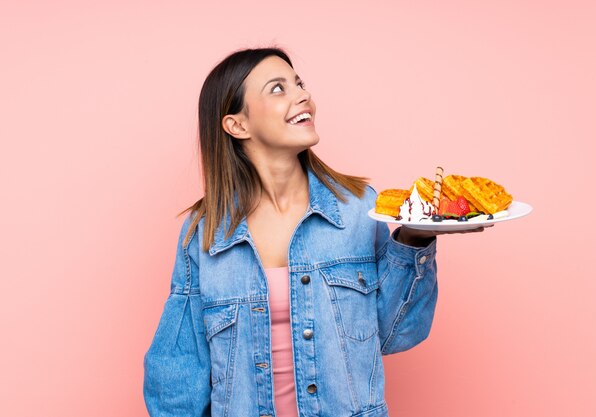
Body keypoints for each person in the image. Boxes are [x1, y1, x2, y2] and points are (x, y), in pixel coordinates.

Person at [143, 47, 488, 417]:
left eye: (299, 83)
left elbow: (394, 334)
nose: (302, 95)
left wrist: (412, 240)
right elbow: (178, 372)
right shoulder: (205, 233)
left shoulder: (356, 208)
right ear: (237, 125)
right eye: (278, 89)